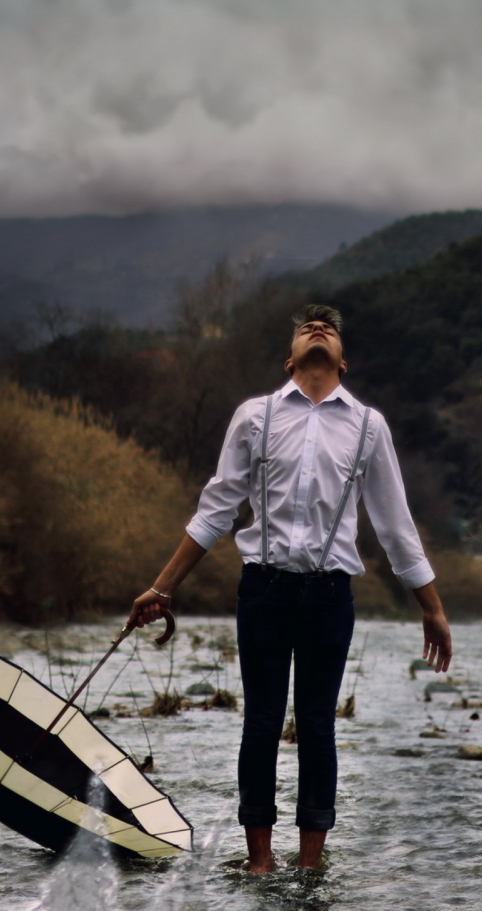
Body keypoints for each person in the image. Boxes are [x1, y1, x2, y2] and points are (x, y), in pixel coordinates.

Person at [127, 304, 452, 873]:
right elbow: (215, 511)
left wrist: (433, 609)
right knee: (260, 720)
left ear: (343, 361)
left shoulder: (369, 427)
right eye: (307, 328)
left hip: (330, 597)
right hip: (264, 590)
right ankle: (259, 860)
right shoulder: (255, 417)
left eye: (328, 328)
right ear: (291, 357)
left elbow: (395, 526)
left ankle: (310, 862)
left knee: (319, 725)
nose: (318, 330)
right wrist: (162, 588)